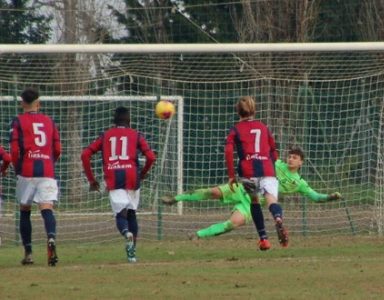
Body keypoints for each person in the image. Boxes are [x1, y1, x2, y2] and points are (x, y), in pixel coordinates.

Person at [162, 147, 341, 240]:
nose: (291, 158)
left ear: (301, 162)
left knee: (233, 224)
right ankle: (175, 199)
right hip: (243, 189)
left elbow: (316, 197)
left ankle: (197, 235)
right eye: (290, 156)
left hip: (251, 204)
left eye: (295, 157)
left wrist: (330, 197)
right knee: (212, 192)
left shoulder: (299, 183)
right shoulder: (276, 163)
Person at [81, 106, 156, 263]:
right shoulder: (136, 135)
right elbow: (151, 157)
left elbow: (85, 154)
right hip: (132, 176)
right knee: (131, 213)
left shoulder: (105, 135)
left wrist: (92, 179)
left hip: (114, 176)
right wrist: (142, 173)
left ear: (114, 121)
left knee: (120, 214)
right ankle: (132, 252)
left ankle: (126, 233)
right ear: (129, 120)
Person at [225, 95, 287, 250]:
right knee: (271, 200)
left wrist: (231, 175)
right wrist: (273, 165)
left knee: (254, 201)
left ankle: (264, 239)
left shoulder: (235, 129)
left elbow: (228, 149)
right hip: (267, 168)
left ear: (238, 112)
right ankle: (278, 218)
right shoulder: (263, 127)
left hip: (248, 171)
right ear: (254, 110)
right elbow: (273, 149)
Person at [10, 87, 62, 266]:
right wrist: (49, 162)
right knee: (47, 208)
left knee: (25, 210)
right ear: (38, 103)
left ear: (22, 103)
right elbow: (57, 149)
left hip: (27, 170)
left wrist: (17, 168)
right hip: (47, 170)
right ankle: (51, 238)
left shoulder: (18, 121)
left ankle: (29, 253)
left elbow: (15, 150)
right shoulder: (50, 121)